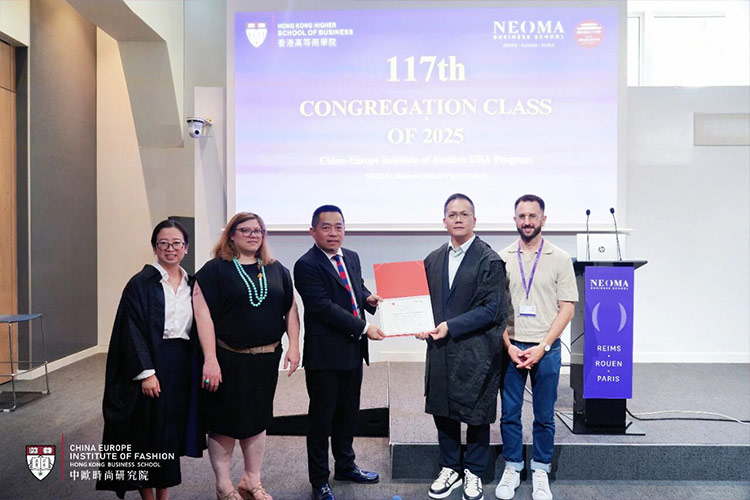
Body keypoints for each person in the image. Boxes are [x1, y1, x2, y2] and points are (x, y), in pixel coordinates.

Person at [193, 212, 301, 500]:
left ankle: (251, 480)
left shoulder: (276, 269)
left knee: (258, 420)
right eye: (246, 230)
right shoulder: (215, 270)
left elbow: (290, 309)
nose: (254, 235)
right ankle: (224, 485)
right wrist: (210, 359)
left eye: (259, 231)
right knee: (224, 423)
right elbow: (202, 315)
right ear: (231, 234)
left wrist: (294, 345)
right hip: (228, 359)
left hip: (266, 359)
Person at [98, 219, 204, 500]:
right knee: (146, 433)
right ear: (155, 247)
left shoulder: (192, 284)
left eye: (176, 243)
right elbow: (130, 330)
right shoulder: (140, 284)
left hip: (181, 364)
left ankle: (163, 495)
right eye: (163, 243)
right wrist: (146, 372)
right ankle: (148, 496)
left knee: (169, 432)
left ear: (186, 247)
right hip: (151, 362)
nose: (170, 249)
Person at [416, 193, 511, 500]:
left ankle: (474, 471)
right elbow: (422, 302)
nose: (458, 219)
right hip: (441, 349)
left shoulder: (489, 260)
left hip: (476, 351)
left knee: (476, 414)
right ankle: (450, 467)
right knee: (442, 409)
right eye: (452, 214)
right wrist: (418, 323)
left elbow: (493, 309)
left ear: (474, 220)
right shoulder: (432, 259)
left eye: (464, 214)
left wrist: (451, 326)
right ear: (444, 221)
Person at [294, 205, 385, 500]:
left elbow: (355, 289)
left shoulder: (351, 257)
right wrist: (364, 327)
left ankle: (346, 466)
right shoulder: (306, 265)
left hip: (352, 351)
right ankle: (319, 480)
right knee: (321, 421)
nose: (333, 233)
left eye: (339, 227)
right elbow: (322, 307)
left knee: (348, 415)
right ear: (313, 231)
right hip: (325, 355)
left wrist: (368, 298)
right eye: (326, 227)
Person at [494, 195, 577, 500]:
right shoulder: (501, 258)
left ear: (544, 219)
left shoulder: (560, 258)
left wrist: (543, 345)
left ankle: (540, 469)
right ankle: (513, 466)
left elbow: (567, 308)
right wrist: (508, 345)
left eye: (533, 216)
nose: (527, 221)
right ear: (515, 219)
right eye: (522, 216)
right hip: (511, 347)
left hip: (547, 347)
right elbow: (495, 309)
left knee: (544, 415)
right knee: (509, 413)